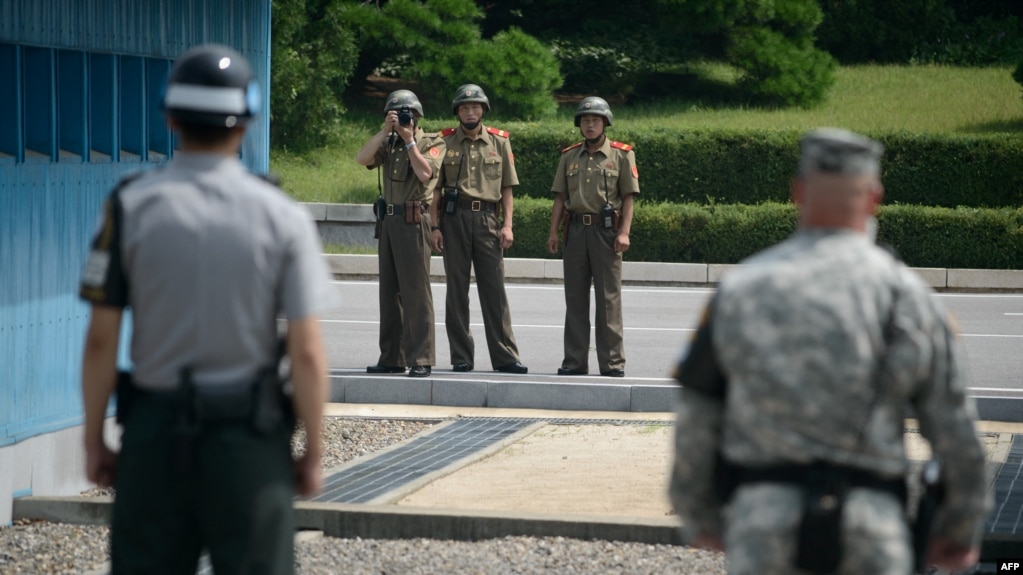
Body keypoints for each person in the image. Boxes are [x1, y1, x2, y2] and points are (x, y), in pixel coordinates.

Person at [669, 128, 991, 575]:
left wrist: (699, 514)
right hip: (872, 524)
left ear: (797, 193)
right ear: (874, 197)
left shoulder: (741, 289)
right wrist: (959, 529)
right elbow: (955, 428)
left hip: (764, 521)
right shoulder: (908, 297)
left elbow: (698, 413)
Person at [79, 44, 332, 575]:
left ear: (170, 117)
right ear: (248, 120)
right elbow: (306, 351)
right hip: (249, 440)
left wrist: (93, 439)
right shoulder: (282, 216)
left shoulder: (129, 207)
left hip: (154, 434)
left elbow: (102, 338)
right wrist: (312, 448)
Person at [428, 83, 528, 374]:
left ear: (483, 110)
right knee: (456, 290)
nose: (470, 112)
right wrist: (435, 226)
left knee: (494, 290)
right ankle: (461, 356)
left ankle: (505, 356)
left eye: (475, 107)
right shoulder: (444, 141)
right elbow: (434, 190)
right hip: (453, 219)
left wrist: (507, 225)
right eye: (464, 108)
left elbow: (507, 189)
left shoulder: (499, 142)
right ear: (457, 112)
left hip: (487, 220)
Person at [546, 96, 638, 377]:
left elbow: (628, 197)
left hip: (606, 232)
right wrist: (553, 233)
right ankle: (574, 361)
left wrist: (624, 232)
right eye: (585, 120)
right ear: (579, 124)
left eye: (595, 120)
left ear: (605, 123)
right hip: (575, 231)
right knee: (575, 298)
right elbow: (561, 198)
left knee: (608, 299)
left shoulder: (621, 155)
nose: (589, 125)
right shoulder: (569, 155)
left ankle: (612, 362)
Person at [356, 89, 444, 378]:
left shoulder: (432, 141)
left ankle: (421, 359)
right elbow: (362, 158)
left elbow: (425, 174)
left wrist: (409, 142)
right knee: (389, 293)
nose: (404, 119)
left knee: (416, 293)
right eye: (396, 114)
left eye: (408, 114)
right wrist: (385, 132)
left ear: (417, 117)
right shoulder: (389, 142)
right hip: (389, 222)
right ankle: (392, 357)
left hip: (413, 219)